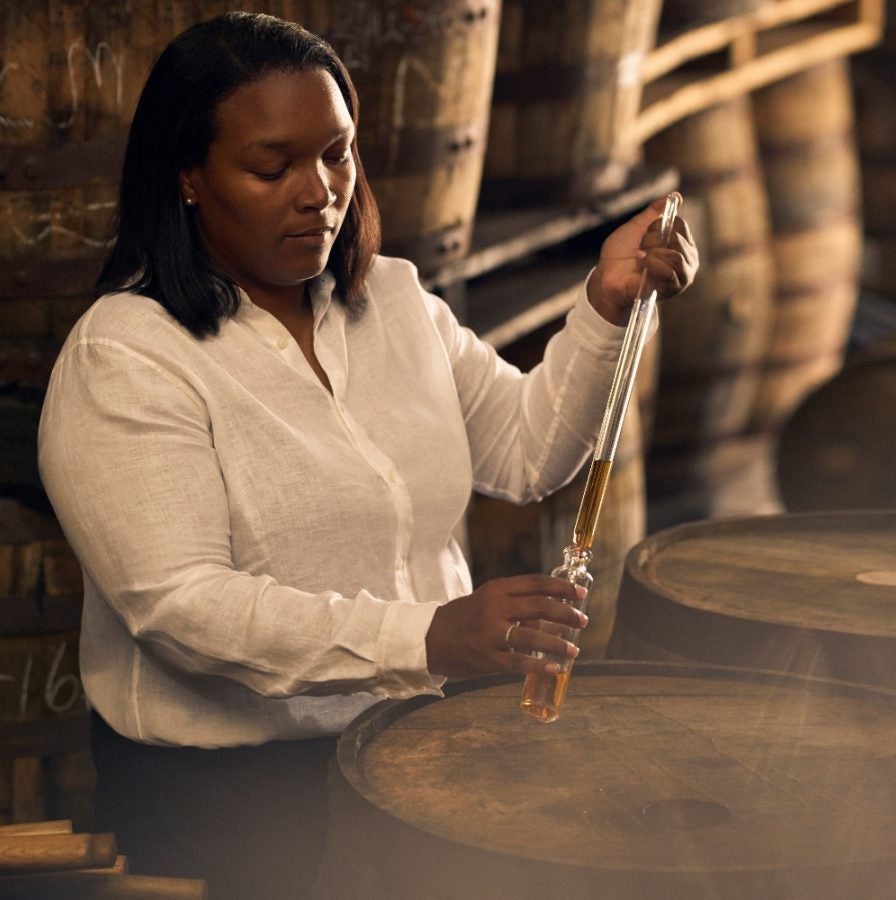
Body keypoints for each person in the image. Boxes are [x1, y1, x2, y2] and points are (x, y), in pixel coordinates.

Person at [37, 10, 697, 900]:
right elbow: (183, 608)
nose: (319, 191)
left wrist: (607, 303)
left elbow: (526, 452)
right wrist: (428, 633)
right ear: (188, 177)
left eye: (337, 154)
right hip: (233, 803)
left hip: (413, 753)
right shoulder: (126, 356)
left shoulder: (391, 302)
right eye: (272, 167)